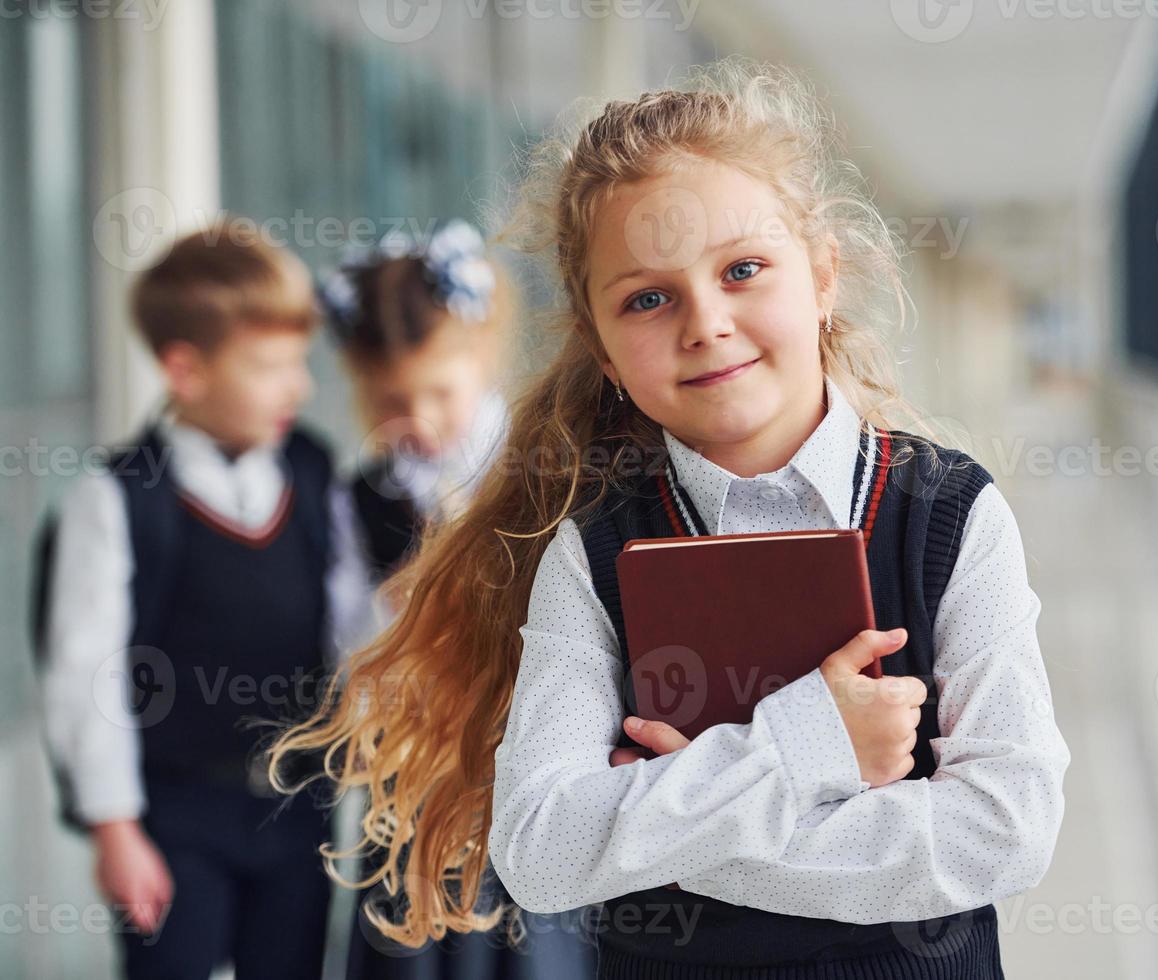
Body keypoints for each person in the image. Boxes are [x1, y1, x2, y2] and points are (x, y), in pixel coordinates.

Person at [269, 57, 1070, 979]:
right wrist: (811, 741)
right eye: (648, 298)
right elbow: (543, 848)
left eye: (744, 269)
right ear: (603, 351)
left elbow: (1005, 833)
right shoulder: (592, 550)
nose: (706, 322)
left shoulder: (952, 514)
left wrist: (671, 821)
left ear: (822, 277)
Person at [36, 224, 348, 979]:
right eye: (272, 366)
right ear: (186, 369)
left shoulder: (311, 471)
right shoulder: (117, 499)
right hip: (172, 817)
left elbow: (349, 622)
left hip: (295, 809)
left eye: (299, 361)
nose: (300, 386)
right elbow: (86, 674)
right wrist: (116, 830)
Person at [319, 219, 597, 979]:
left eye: (438, 391)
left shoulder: (537, 468)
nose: (420, 419)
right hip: (415, 772)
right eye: (390, 400)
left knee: (532, 954)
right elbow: (346, 647)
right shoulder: (362, 499)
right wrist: (391, 621)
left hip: (526, 763)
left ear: (481, 358)